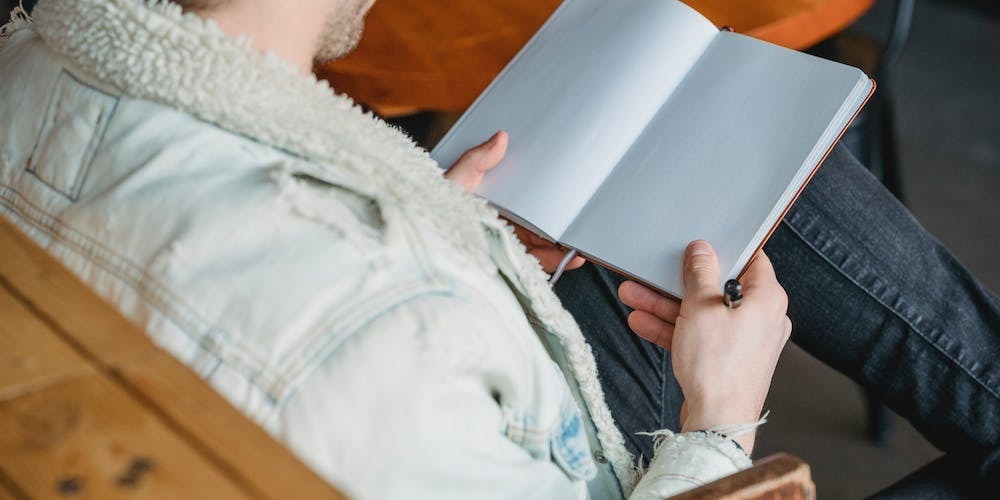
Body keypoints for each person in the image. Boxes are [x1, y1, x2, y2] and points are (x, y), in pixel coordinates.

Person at [0, 1, 995, 498]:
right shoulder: (395, 322)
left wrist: (431, 216)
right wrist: (721, 418)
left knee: (717, 162)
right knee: (755, 170)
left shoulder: (32, 63)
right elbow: (358, 342)